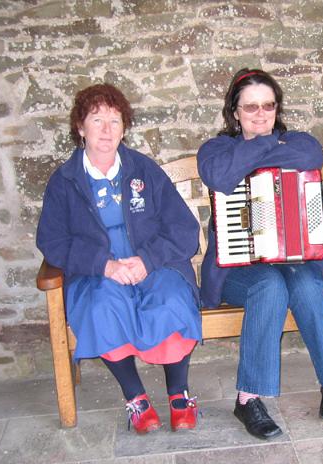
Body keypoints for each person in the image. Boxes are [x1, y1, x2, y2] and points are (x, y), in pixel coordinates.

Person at [37, 84, 202, 434]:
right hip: (97, 273)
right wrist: (104, 265)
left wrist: (147, 260)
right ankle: (136, 398)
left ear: (124, 127)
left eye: (115, 120)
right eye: (97, 120)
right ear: (80, 127)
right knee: (102, 308)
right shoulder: (64, 181)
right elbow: (52, 241)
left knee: (172, 299)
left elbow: (184, 229)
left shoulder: (144, 170)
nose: (107, 130)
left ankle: (179, 394)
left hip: (153, 265)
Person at [197, 68, 323, 440]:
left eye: (268, 106)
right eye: (250, 107)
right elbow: (219, 176)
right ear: (234, 112)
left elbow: (312, 155)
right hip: (237, 269)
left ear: (277, 108)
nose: (260, 114)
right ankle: (248, 398)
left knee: (308, 284)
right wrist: (267, 145)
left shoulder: (298, 141)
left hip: (294, 261)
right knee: (268, 285)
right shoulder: (217, 150)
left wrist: (259, 148)